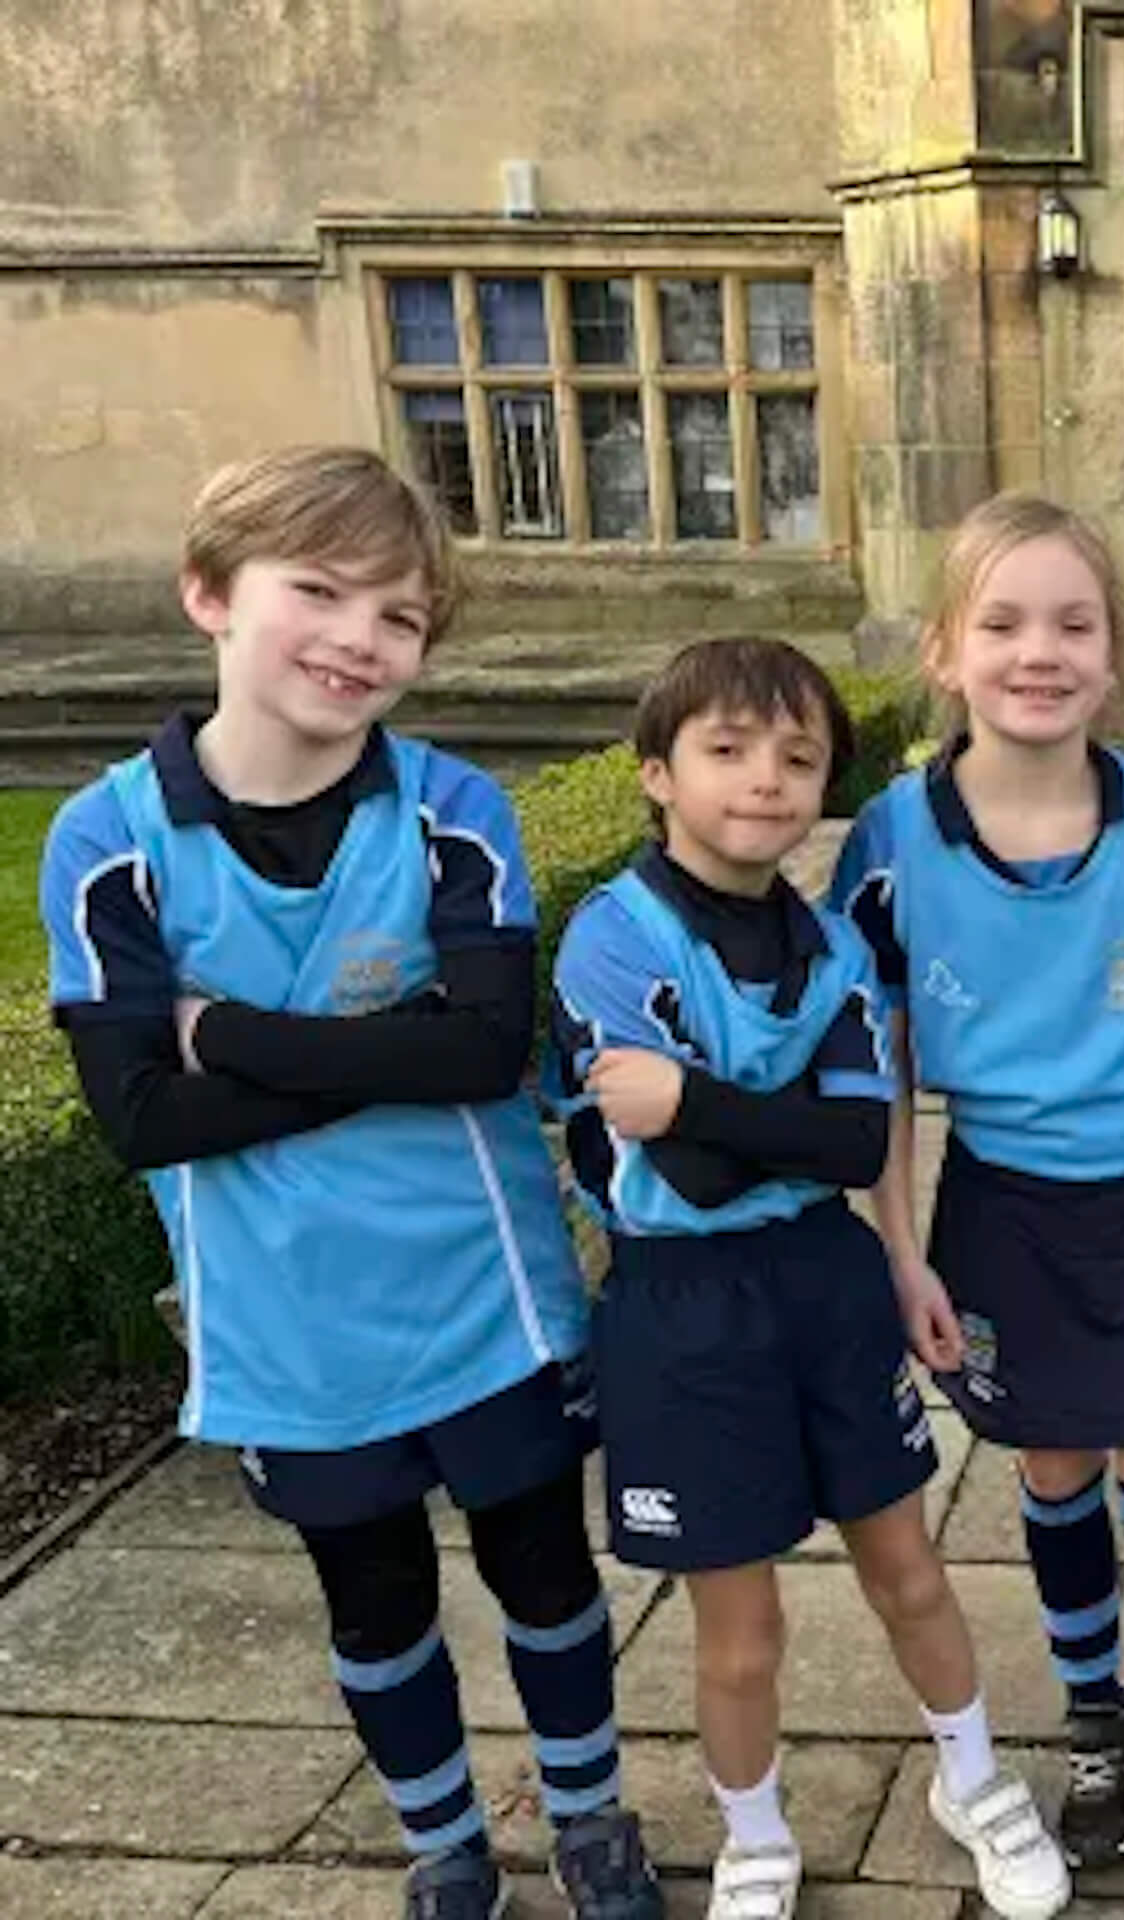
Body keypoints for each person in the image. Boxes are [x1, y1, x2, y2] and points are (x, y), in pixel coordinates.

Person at [38, 447, 662, 1920]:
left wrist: (227, 1035)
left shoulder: (452, 809)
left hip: (487, 1293)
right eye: (316, 592)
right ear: (209, 593)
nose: (356, 640)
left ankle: (590, 1820)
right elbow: (141, 1119)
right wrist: (390, 1049)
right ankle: (445, 1844)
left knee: (546, 1574)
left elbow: (483, 1049)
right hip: (287, 1321)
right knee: (373, 1599)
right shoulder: (108, 844)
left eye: (397, 617)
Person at [829, 494, 1124, 1920]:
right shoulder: (891, 844)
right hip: (1002, 1209)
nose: (1041, 652)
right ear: (945, 651)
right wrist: (899, 1253)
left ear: (1115, 657)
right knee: (1049, 1474)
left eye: (1075, 623)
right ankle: (1103, 1723)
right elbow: (881, 1072)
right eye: (1004, 623)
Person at [551, 637, 1068, 1920]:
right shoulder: (611, 944)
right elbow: (696, 1185)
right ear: (655, 773)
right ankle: (756, 1838)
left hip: (825, 1285)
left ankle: (972, 1779)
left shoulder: (834, 946)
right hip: (681, 1306)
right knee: (740, 1626)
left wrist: (694, 1100)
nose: (765, 781)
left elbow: (852, 1142)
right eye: (726, 750)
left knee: (909, 1568)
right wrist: (742, 1123)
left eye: (798, 757)